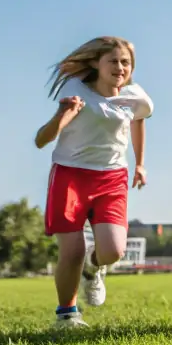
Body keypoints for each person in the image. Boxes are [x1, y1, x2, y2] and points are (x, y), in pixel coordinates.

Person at [34, 37, 152, 328]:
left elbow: (138, 120)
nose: (120, 67)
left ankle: (93, 267)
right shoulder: (75, 90)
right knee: (71, 250)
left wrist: (139, 163)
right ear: (95, 64)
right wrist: (64, 115)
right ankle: (67, 315)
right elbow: (41, 140)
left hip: (112, 177)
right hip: (71, 174)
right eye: (113, 61)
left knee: (113, 251)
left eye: (126, 62)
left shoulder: (136, 96)